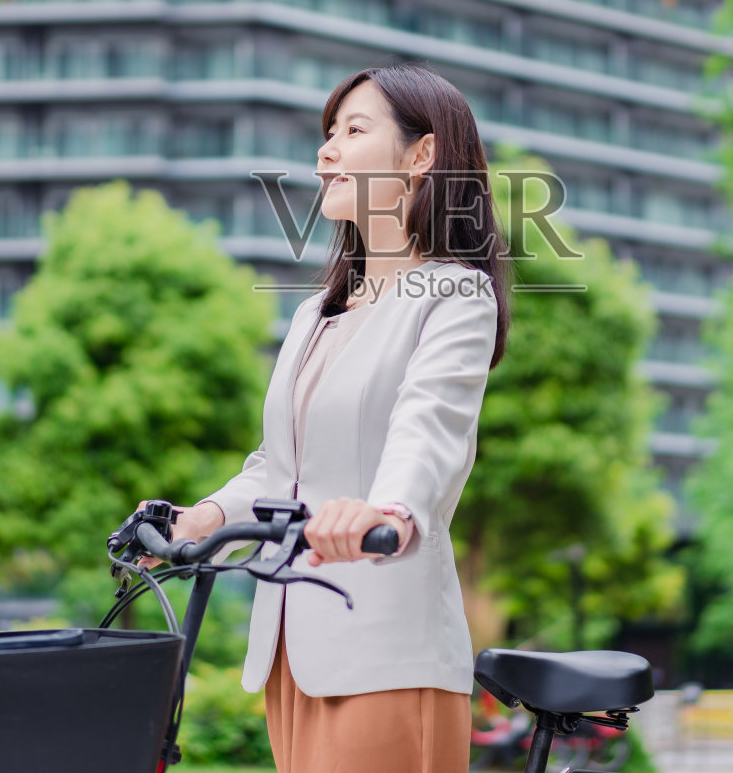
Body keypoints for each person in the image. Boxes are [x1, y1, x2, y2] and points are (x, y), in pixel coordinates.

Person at [140, 63, 511, 773]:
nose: (326, 152)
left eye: (354, 129)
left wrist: (391, 510)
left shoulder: (455, 296)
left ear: (422, 155)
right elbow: (280, 465)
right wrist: (203, 518)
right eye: (326, 134)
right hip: (291, 645)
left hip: (385, 646)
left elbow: (427, 426)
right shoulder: (317, 313)